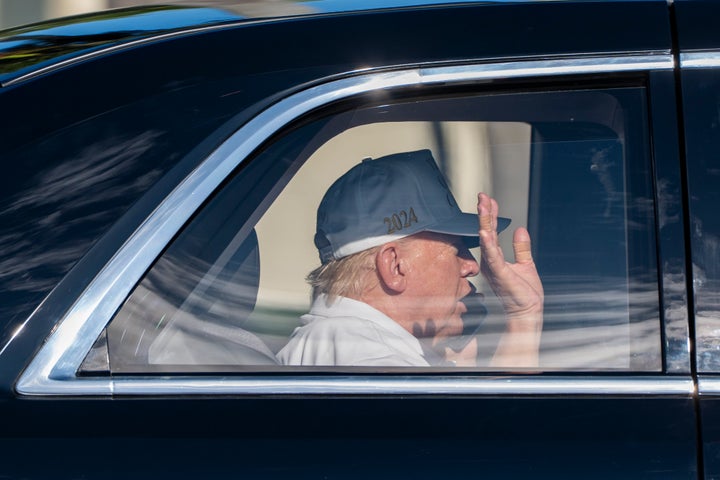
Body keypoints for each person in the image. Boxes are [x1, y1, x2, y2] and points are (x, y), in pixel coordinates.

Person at [277, 149, 543, 367]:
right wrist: (523, 317)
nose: (472, 266)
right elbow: (492, 433)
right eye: (456, 248)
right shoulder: (376, 363)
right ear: (395, 266)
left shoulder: (340, 344)